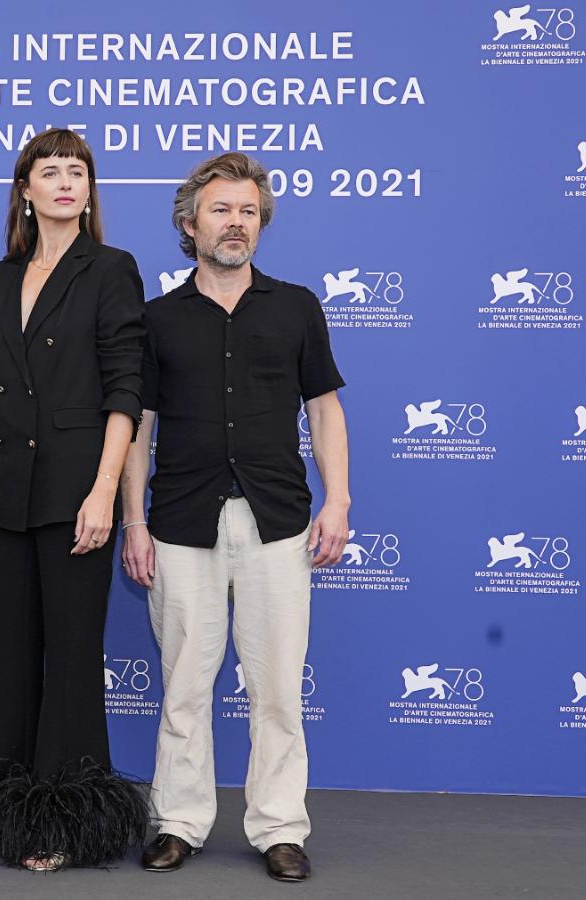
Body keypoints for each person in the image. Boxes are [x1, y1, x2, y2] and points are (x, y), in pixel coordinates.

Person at [119, 152, 350, 883]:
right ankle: (178, 822)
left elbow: (325, 409)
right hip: (180, 522)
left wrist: (339, 500)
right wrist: (133, 522)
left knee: (277, 687)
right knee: (184, 685)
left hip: (276, 520)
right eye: (221, 210)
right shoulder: (156, 319)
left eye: (249, 211)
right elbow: (137, 427)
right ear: (190, 224)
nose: (236, 223)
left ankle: (280, 827)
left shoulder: (296, 307)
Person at [0, 128, 148, 871]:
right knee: (8, 649)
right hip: (3, 488)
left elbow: (126, 391)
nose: (65, 181)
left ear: (89, 190)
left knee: (71, 654)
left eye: (77, 171)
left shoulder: (112, 269)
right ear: (25, 190)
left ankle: (64, 812)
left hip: (74, 489)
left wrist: (105, 494)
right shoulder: (0, 278)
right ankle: (0, 796)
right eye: (50, 171)